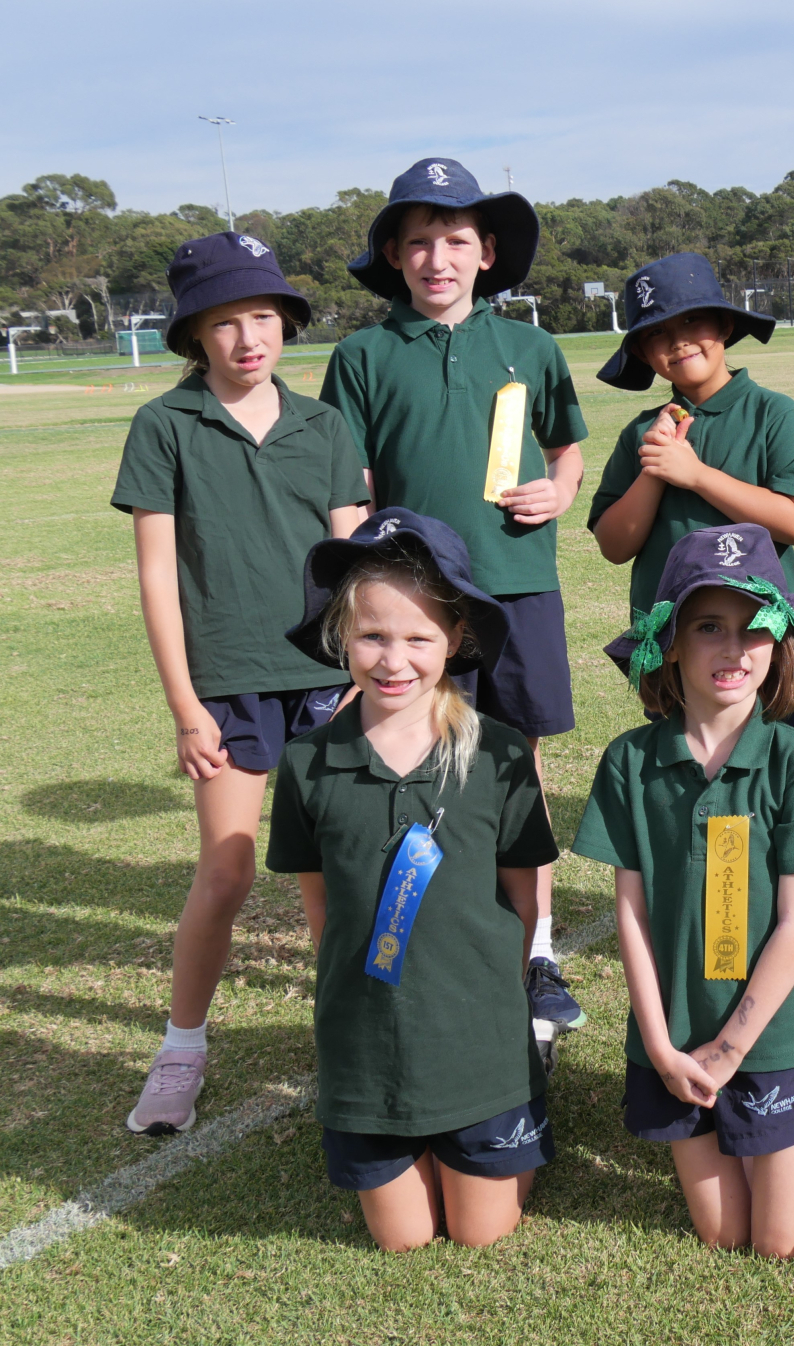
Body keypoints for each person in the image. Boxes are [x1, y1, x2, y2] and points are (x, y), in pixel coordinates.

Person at [321, 157, 589, 1043]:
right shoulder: (362, 356)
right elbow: (349, 487)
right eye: (419, 242)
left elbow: (567, 449)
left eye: (457, 240)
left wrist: (560, 490)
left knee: (517, 764)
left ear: (487, 253)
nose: (438, 259)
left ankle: (537, 950)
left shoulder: (532, 348)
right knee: (421, 760)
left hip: (518, 587)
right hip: (417, 604)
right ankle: (435, 937)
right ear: (394, 256)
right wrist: (365, 596)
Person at [112, 232, 369, 1135]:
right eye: (223, 322)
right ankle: (181, 1049)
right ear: (194, 334)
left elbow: (355, 562)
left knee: (330, 875)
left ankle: (346, 1044)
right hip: (225, 686)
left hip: (327, 683)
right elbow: (156, 575)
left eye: (262, 315)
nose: (247, 337)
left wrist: (363, 672)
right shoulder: (165, 425)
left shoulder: (323, 425)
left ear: (286, 322)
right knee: (226, 869)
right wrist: (185, 707)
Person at [571, 524, 794, 1257]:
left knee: (780, 1243)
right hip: (678, 1035)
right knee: (721, 1233)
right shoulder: (629, 762)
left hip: (770, 1036)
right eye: (709, 626)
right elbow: (631, 915)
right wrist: (659, 1045)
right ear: (671, 642)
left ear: (782, 643)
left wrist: (731, 1049)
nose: (735, 649)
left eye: (755, 626)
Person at [269, 510, 558, 1250]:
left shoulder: (499, 754)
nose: (393, 660)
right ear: (341, 633)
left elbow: (522, 896)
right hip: (369, 1047)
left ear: (456, 638)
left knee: (479, 1234)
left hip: (478, 1037)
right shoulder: (306, 762)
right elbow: (321, 908)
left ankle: (522, 1076)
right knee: (403, 1239)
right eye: (372, 635)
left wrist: (492, 990)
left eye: (418, 639)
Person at [587, 252, 794, 984]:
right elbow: (615, 543)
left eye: (692, 323)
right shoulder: (642, 433)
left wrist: (696, 473)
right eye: (657, 334)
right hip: (674, 646)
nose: (678, 342)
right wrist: (658, 468)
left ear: (723, 327)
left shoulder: (772, 413)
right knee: (695, 788)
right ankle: (720, 930)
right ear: (643, 353)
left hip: (762, 643)